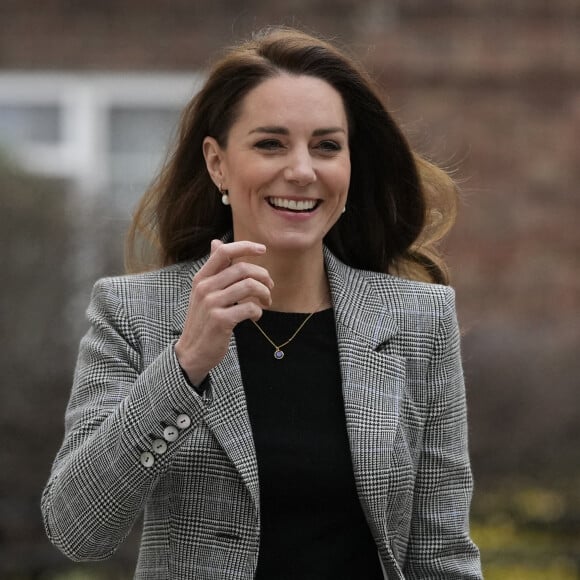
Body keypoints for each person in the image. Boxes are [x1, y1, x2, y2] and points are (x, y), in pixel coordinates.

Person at [41, 26, 482, 579]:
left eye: (327, 146)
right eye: (270, 143)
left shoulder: (419, 318)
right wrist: (185, 365)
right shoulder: (133, 312)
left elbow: (442, 554)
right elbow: (77, 527)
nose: (302, 170)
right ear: (217, 162)